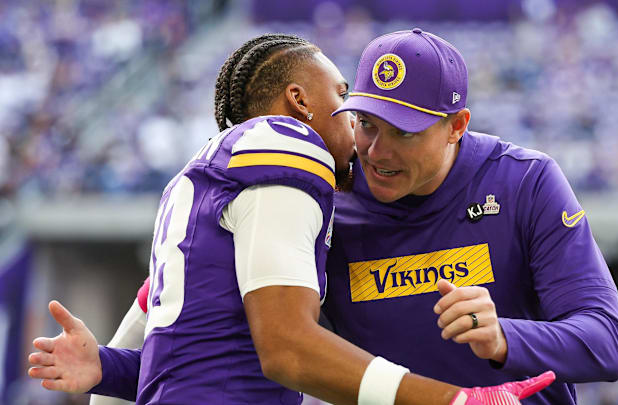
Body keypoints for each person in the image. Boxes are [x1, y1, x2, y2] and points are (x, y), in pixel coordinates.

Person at [27, 33, 554, 405]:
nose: (357, 129)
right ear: (300, 102)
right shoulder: (287, 145)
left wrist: (105, 367)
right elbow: (286, 350)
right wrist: (455, 400)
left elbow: (189, 354)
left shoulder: (209, 173)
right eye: (344, 98)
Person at [322, 28, 618, 405]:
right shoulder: (327, 198)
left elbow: (607, 343)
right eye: (367, 124)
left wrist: (503, 337)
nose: (376, 152)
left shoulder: (524, 182)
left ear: (456, 126)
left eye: (404, 132)